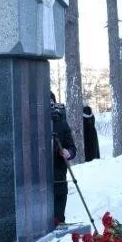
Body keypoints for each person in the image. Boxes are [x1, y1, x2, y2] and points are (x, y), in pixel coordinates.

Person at [51, 93, 77, 225]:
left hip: (59, 179)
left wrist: (68, 153)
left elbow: (73, 149)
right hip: (36, 185)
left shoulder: (61, 122)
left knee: (58, 222)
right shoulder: (30, 123)